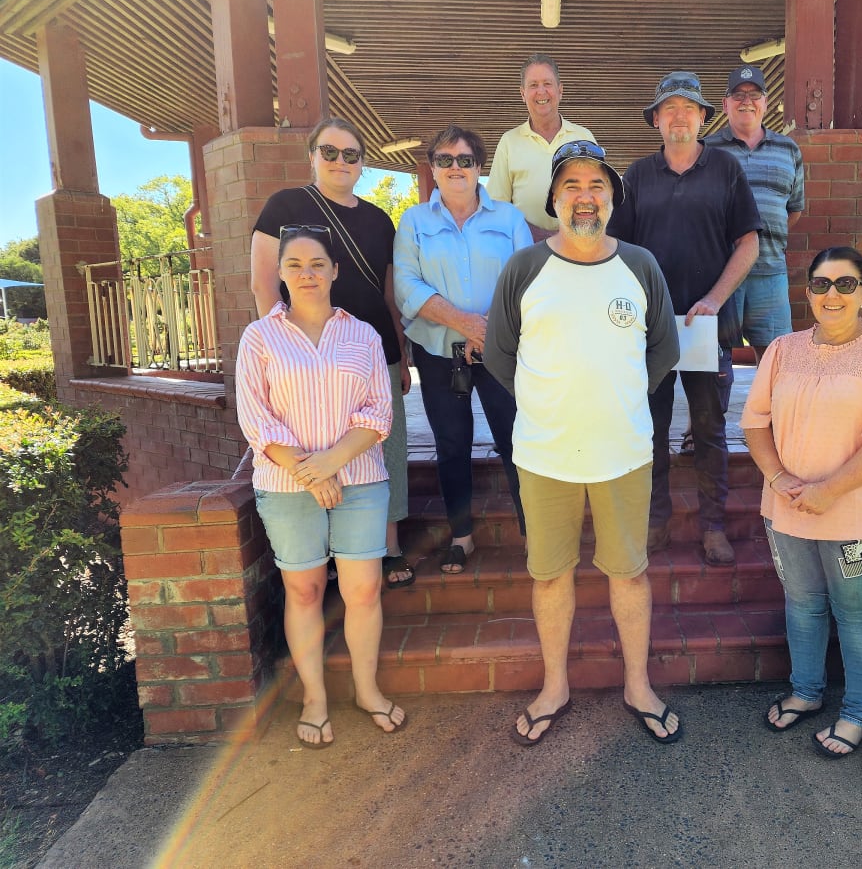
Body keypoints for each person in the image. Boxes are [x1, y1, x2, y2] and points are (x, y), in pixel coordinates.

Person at [485, 140, 682, 745]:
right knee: (550, 576)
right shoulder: (525, 268)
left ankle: (638, 685)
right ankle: (554, 687)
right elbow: (498, 354)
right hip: (545, 455)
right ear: (553, 199)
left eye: (597, 185)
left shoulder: (641, 266)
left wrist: (617, 395)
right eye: (571, 186)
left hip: (623, 451)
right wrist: (552, 404)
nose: (585, 197)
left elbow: (664, 349)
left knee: (629, 573)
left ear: (612, 198)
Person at [741, 246, 862, 758]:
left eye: (846, 284)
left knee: (858, 614)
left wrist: (829, 490)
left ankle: (858, 713)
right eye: (822, 284)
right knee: (803, 606)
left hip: (859, 516)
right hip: (788, 508)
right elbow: (755, 423)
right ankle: (806, 693)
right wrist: (779, 478)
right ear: (808, 293)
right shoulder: (781, 351)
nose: (833, 294)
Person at [236, 226, 407, 748]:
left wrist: (331, 464)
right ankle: (314, 697)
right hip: (287, 485)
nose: (306, 274)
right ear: (280, 273)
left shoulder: (364, 336)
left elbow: (379, 413)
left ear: (334, 270)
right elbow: (256, 419)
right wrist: (310, 472)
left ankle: (366, 688)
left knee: (362, 590)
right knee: (305, 589)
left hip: (358, 479)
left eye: (317, 264)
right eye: (294, 265)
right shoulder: (259, 338)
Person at [250, 117, 414, 589]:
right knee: (317, 444)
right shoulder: (284, 205)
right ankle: (328, 549)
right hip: (301, 355)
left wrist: (401, 354)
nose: (340, 162)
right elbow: (264, 283)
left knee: (385, 447)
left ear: (363, 163)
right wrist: (276, 347)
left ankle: (388, 543)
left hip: (372, 353)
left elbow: (388, 295)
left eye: (351, 154)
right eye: (330, 152)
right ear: (312, 156)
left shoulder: (380, 219)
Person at [608, 71, 762, 566]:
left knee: (710, 428)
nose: (678, 116)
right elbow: (615, 249)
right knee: (648, 428)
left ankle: (713, 525)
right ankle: (656, 519)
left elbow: (749, 243)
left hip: (704, 326)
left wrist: (716, 299)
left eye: (688, 108)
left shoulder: (726, 171)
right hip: (648, 329)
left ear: (702, 118)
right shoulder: (635, 177)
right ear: (656, 120)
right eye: (668, 108)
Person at [393, 126, 532, 574]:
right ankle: (461, 537)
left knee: (517, 441)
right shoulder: (414, 221)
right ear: (433, 167)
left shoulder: (509, 218)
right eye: (446, 159)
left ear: (479, 167)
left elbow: (524, 283)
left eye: (466, 159)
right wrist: (465, 323)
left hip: (501, 352)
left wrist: (486, 333)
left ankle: (535, 534)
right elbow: (407, 286)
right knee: (451, 444)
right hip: (437, 352)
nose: (456, 168)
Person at [705, 65, 805, 362]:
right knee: (713, 362)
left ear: (765, 102)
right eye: (737, 94)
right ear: (725, 104)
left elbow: (793, 210)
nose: (746, 101)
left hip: (771, 274)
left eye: (754, 94)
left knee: (779, 360)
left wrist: (762, 239)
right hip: (718, 275)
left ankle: (775, 411)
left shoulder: (789, 149)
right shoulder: (706, 150)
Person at [487, 54, 596, 241]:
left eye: (547, 83)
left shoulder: (584, 137)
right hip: (526, 248)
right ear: (522, 94)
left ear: (560, 90)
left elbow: (598, 195)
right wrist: (536, 235)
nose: (541, 91)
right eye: (533, 85)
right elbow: (497, 206)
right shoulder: (509, 142)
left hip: (578, 245)